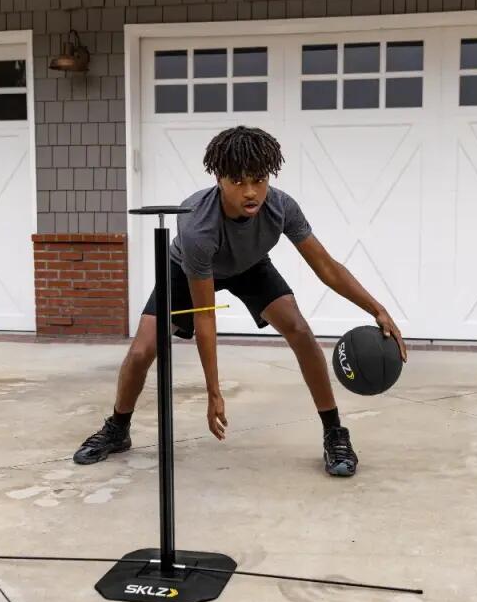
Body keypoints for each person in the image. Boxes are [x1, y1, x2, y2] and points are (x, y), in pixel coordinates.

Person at [74, 126, 407, 477]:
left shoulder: (281, 207)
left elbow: (325, 265)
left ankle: (334, 432)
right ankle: (118, 427)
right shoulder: (197, 227)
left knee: (300, 330)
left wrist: (377, 309)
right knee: (142, 351)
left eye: (258, 180)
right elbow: (205, 316)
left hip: (250, 265)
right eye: (238, 182)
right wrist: (213, 391)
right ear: (219, 179)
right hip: (187, 270)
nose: (251, 192)